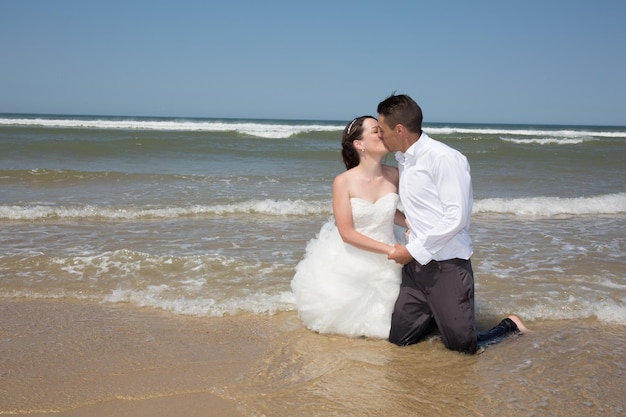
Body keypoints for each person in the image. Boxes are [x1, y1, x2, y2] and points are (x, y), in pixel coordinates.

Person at [377, 94, 528, 354]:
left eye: (382, 130)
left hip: (447, 267)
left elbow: (456, 218)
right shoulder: (404, 160)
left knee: (463, 348)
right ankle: (440, 315)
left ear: (399, 129)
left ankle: (510, 325)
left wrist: (411, 250)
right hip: (415, 270)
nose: (380, 135)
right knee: (399, 341)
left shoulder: (444, 158)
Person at [291, 116, 407, 338]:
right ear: (359, 144)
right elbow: (347, 233)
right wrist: (390, 251)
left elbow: (388, 212)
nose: (382, 134)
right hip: (352, 260)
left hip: (391, 252)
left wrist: (409, 222)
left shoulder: (395, 175)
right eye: (375, 131)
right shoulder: (343, 181)